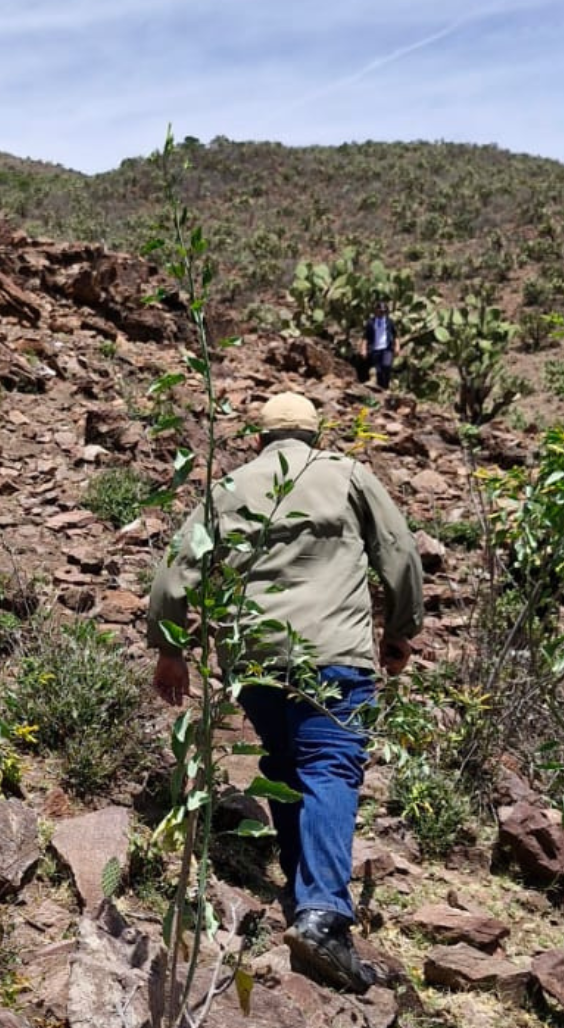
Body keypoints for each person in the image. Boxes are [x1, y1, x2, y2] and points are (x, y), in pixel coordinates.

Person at [147, 391, 423, 995]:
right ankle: (324, 914)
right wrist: (399, 632)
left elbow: (176, 571)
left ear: (258, 440)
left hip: (255, 661)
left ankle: (305, 907)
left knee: (287, 766)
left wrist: (170, 649)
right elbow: (400, 555)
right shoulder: (346, 475)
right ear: (315, 436)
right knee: (330, 766)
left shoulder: (231, 486)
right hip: (335, 655)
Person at [362, 297, 399, 389]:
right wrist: (363, 349)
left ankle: (386, 386)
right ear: (376, 311)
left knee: (386, 366)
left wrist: (397, 347)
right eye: (380, 311)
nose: (382, 313)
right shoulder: (370, 322)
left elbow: (396, 335)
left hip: (387, 348)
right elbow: (365, 337)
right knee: (378, 370)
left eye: (384, 311)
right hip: (375, 349)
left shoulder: (389, 322)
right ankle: (381, 388)